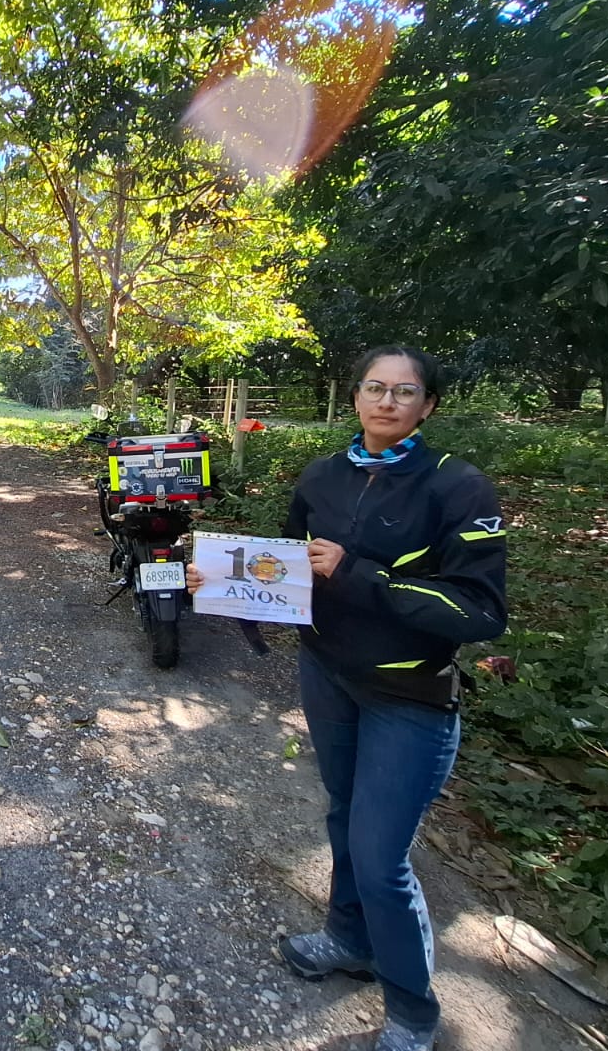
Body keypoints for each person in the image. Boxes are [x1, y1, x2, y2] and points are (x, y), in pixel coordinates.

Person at [188, 346, 506, 1051]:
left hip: (410, 694)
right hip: (327, 674)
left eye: (404, 391)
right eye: (374, 387)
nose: (386, 401)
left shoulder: (457, 487)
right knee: (340, 816)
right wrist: (232, 590)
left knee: (380, 854)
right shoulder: (324, 475)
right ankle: (347, 940)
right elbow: (291, 569)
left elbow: (480, 613)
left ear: (428, 405)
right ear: (355, 395)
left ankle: (413, 1013)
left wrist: (362, 574)